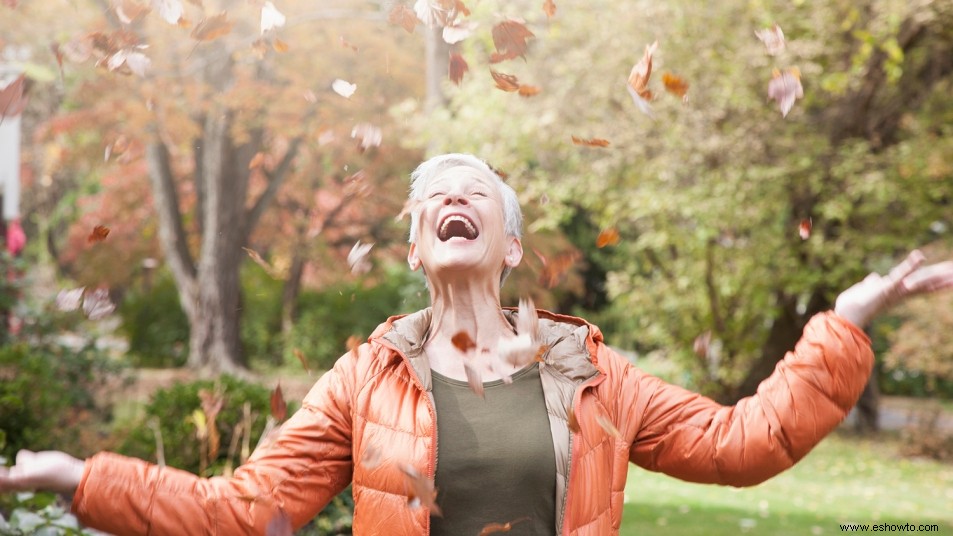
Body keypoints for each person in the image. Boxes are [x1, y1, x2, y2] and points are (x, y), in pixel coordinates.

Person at [2, 153, 952, 535]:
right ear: (416, 247)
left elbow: (739, 445)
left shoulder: (590, 373)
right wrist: (70, 475)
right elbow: (246, 511)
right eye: (433, 197)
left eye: (477, 192)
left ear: (509, 244)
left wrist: (845, 321)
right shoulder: (362, 379)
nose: (453, 197)